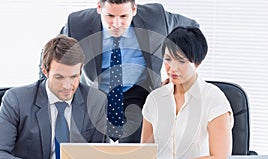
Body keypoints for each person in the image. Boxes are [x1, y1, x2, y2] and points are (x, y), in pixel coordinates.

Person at [53, 0, 200, 143]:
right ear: (99, 8)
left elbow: (191, 28)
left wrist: (183, 74)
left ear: (134, 9)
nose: (117, 24)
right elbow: (53, 54)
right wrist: (46, 91)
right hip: (96, 91)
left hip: (137, 89)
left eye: (123, 16)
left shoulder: (156, 17)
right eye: (110, 16)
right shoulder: (77, 24)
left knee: (135, 150)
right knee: (92, 150)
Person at [0, 35, 107, 159]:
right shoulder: (17, 100)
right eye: (59, 77)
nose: (67, 86)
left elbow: (99, 157)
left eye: (74, 77)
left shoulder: (96, 101)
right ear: (45, 71)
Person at [141, 26, 234, 159]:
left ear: (197, 63)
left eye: (181, 61)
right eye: (168, 59)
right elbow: (144, 155)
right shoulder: (155, 99)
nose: (172, 69)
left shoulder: (214, 99)